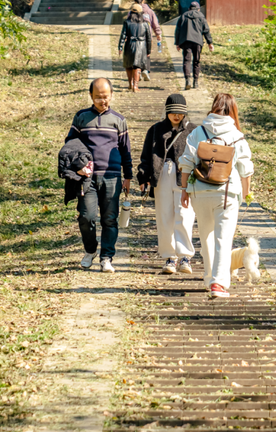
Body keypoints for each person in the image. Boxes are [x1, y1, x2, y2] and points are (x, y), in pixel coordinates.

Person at [179, 93, 253, 299]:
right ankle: (218, 284)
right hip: (226, 194)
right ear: (232, 111)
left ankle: (209, 277)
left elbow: (186, 162)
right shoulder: (236, 135)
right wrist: (246, 194)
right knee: (223, 237)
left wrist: (184, 190)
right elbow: (245, 168)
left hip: (200, 193)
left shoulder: (198, 132)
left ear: (213, 108)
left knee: (206, 236)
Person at [65, 77, 132, 273]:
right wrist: (78, 166)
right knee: (86, 217)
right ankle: (90, 250)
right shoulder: (81, 117)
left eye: (105, 97)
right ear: (91, 96)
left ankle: (106, 257)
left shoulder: (118, 120)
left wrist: (127, 176)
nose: (102, 101)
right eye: (98, 97)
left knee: (110, 219)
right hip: (87, 178)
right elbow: (70, 145)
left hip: (112, 177)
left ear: (111, 95)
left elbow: (125, 150)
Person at [137, 94, 197, 276]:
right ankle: (169, 257)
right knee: (164, 218)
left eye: (180, 113)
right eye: (173, 113)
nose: (176, 116)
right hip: (162, 174)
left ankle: (185, 256)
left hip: (185, 177)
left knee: (185, 215)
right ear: (167, 112)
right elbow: (146, 155)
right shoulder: (156, 130)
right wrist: (143, 177)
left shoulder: (194, 130)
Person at [174, 0, 213, 90]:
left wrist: (177, 43)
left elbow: (178, 30)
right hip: (198, 42)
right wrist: (209, 43)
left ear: (189, 8)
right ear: (198, 9)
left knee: (187, 61)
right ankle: (196, 82)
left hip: (186, 41)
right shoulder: (201, 16)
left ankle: (188, 80)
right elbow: (206, 30)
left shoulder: (183, 16)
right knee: (196, 61)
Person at [118, 4, 152, 92]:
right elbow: (148, 38)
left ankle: (130, 84)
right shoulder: (145, 24)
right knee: (137, 66)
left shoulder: (127, 22)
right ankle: (135, 86)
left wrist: (120, 47)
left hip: (129, 44)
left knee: (128, 65)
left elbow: (123, 35)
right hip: (141, 46)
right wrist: (148, 50)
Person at [132, 0, 162, 81]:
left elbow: (129, 23)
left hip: (136, 36)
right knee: (147, 53)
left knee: (137, 54)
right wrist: (158, 34)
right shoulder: (149, 11)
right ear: (143, 0)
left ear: (134, 1)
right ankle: (146, 70)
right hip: (147, 36)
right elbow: (155, 23)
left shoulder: (132, 11)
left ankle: (138, 72)